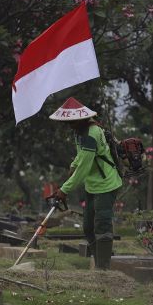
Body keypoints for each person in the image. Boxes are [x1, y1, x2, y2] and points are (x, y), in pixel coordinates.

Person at [51, 97, 123, 270]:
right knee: (88, 226)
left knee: (102, 224)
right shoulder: (79, 132)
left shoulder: (92, 133)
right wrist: (72, 165)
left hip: (106, 184)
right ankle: (99, 264)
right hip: (92, 185)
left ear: (81, 119)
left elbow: (85, 166)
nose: (69, 125)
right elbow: (81, 157)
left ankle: (102, 268)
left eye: (72, 122)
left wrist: (64, 189)